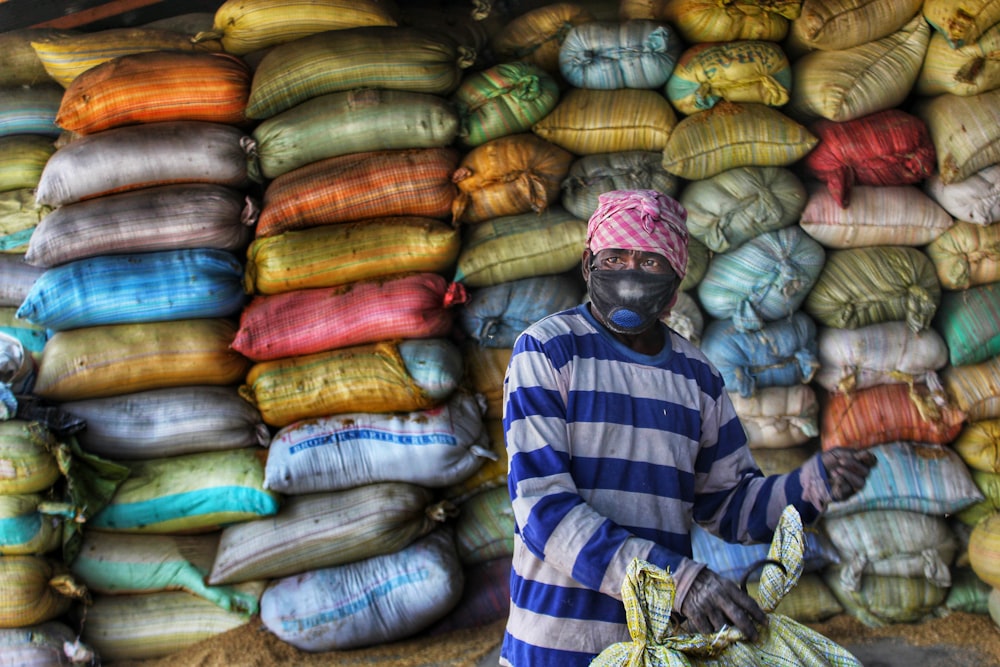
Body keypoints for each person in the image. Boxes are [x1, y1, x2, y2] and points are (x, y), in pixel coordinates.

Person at [499, 189, 876, 667]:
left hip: (657, 651)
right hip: (555, 646)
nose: (630, 273)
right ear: (587, 265)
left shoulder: (696, 377)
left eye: (650, 263)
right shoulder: (548, 352)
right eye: (615, 257)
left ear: (676, 284)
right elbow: (544, 511)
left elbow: (731, 506)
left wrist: (812, 483)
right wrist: (682, 581)